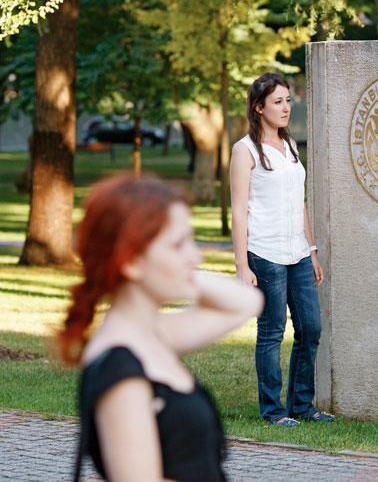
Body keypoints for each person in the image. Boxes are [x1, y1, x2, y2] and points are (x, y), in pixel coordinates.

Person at [59, 174, 263, 481]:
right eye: (178, 244)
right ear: (131, 261)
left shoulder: (155, 333)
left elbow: (247, 303)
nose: (195, 256)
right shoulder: (119, 367)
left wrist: (184, 272)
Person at [230, 72, 333, 427]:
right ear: (259, 108)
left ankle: (302, 406)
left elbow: (299, 202)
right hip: (265, 253)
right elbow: (239, 211)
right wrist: (242, 266)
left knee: (311, 329)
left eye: (288, 100)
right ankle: (273, 411)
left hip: (298, 252)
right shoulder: (244, 151)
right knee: (272, 332)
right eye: (278, 102)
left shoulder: (289, 146)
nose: (286, 107)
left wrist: (312, 248)